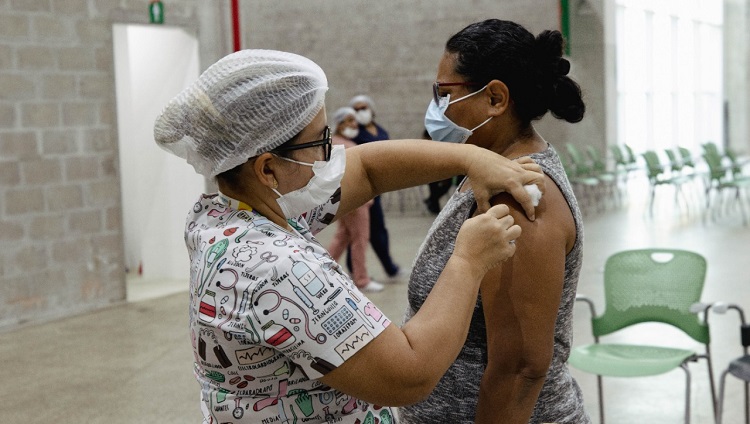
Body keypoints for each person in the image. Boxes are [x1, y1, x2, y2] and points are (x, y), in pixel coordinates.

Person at [153, 49, 545, 424]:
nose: (333, 155)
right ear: (268, 168)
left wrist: (469, 158)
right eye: (322, 142)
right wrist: (467, 261)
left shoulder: (224, 213)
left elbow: (369, 169)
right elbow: (408, 374)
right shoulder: (277, 268)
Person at [400, 19, 591, 424]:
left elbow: (521, 369)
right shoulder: (487, 169)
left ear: (495, 98)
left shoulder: (521, 197)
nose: (438, 108)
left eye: (445, 93)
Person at [326, 107, 383, 292]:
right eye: (348, 120)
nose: (353, 124)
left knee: (343, 236)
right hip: (354, 199)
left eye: (353, 120)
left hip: (348, 198)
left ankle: (324, 269)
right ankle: (361, 280)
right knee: (360, 238)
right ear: (339, 123)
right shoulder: (340, 144)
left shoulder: (340, 142)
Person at [347, 94, 402, 279]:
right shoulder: (354, 133)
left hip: (378, 187)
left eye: (364, 107)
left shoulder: (379, 129)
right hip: (362, 187)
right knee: (355, 233)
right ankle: (357, 272)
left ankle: (389, 267)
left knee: (377, 229)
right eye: (356, 109)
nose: (361, 112)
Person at [421, 129, 455, 215]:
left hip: (440, 168)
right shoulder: (426, 146)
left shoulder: (439, 142)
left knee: (444, 186)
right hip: (430, 170)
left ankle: (431, 201)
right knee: (434, 187)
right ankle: (434, 205)